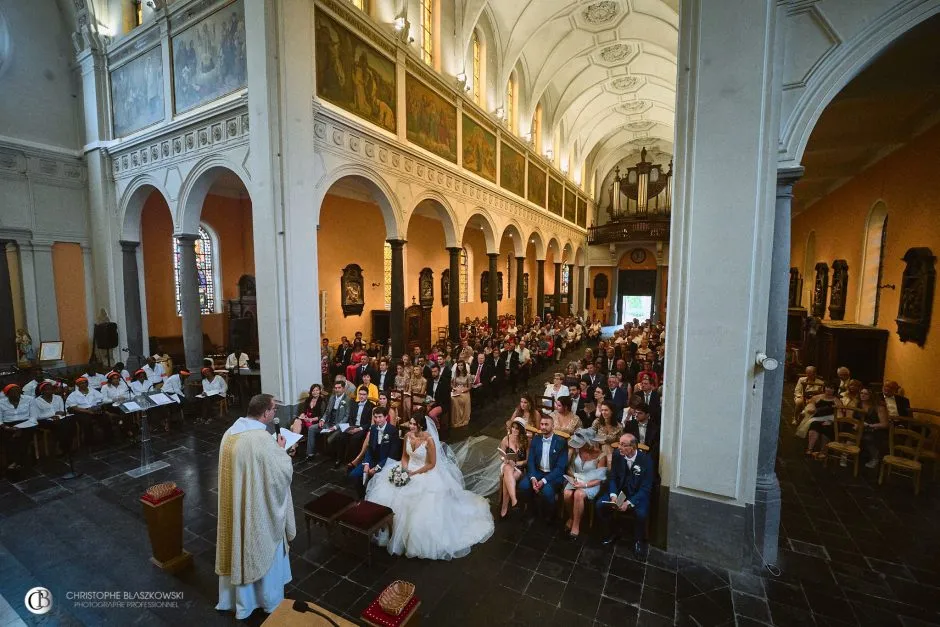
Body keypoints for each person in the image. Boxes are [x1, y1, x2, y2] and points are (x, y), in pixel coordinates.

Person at [365, 414, 494, 560]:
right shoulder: (408, 436)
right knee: (388, 491)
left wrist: (414, 473)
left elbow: (431, 464)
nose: (411, 426)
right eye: (411, 424)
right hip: (408, 469)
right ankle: (387, 531)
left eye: (414, 424)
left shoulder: (429, 441)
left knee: (417, 503)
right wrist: (404, 470)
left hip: (424, 472)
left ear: (420, 425)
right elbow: (405, 457)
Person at [215, 394, 295, 621]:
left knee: (237, 542)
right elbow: (279, 476)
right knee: (257, 543)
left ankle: (237, 599)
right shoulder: (261, 439)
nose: (275, 413)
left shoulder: (230, 433)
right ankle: (264, 599)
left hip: (237, 502)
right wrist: (282, 452)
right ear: (266, 413)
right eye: (273, 409)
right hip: (255, 510)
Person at [597, 433, 653, 557]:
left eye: (623, 445)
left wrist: (629, 502)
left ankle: (638, 540)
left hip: (637, 494)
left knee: (641, 513)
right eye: (619, 444)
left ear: (633, 447)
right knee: (600, 505)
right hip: (620, 491)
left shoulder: (646, 460)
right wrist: (613, 495)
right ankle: (611, 531)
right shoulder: (618, 455)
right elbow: (612, 477)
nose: (619, 448)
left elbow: (646, 488)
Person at [517, 415, 569, 522]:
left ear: (553, 426)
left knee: (547, 491)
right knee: (523, 486)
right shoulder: (536, 440)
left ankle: (550, 514)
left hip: (553, 475)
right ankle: (531, 509)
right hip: (538, 471)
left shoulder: (561, 442)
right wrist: (533, 478)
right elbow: (530, 461)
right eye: (542, 424)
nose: (543, 427)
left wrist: (544, 481)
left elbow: (560, 468)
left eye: (546, 424)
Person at [562, 428, 608, 540]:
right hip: (576, 480)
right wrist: (574, 478)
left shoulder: (601, 455)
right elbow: (568, 469)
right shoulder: (576, 451)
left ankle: (576, 526)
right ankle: (572, 517)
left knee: (579, 494)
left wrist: (584, 485)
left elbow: (600, 479)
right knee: (567, 493)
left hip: (592, 484)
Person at [348, 407, 401, 497]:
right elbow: (370, 448)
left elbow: (393, 455)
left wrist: (377, 468)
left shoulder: (393, 431)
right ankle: (362, 496)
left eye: (380, 417)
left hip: (386, 462)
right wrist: (367, 463)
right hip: (373, 459)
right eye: (375, 417)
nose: (377, 420)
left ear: (386, 417)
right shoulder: (373, 428)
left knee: (377, 479)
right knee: (354, 475)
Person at [497, 419, 529, 519]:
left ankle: (504, 507)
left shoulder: (526, 441)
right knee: (507, 468)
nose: (514, 430)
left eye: (517, 429)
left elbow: (526, 461)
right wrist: (505, 459)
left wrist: (516, 463)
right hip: (507, 464)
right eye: (513, 428)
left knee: (509, 479)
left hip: (519, 467)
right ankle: (514, 500)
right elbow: (501, 455)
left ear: (521, 430)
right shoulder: (505, 439)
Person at [1, 384, 35, 471]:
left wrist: (19, 427)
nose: (16, 393)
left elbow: (33, 418)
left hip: (26, 423)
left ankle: (15, 462)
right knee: (7, 437)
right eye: (13, 392)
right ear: (7, 394)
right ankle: (18, 461)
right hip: (7, 424)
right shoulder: (1, 403)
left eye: (18, 391)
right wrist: (8, 428)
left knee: (23, 436)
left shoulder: (29, 399)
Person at [292, 384, 325, 460]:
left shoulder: (322, 401)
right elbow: (304, 411)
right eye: (313, 390)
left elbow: (322, 416)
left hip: (314, 421)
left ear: (320, 391)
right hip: (306, 419)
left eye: (317, 390)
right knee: (297, 421)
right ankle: (294, 446)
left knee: (292, 427)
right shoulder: (308, 399)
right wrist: (302, 415)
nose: (315, 392)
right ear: (311, 392)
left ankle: (294, 447)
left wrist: (311, 419)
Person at [450, 360, 472, 429]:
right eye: (459, 365)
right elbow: (452, 385)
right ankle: (456, 419)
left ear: (464, 366)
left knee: (458, 398)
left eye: (461, 365)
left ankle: (462, 418)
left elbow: (469, 387)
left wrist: (462, 390)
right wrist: (455, 389)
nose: (460, 367)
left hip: (465, 392)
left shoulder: (468, 375)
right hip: (457, 391)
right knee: (452, 398)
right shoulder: (455, 374)